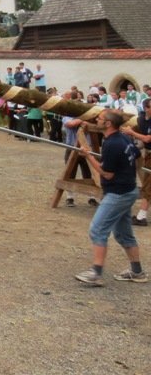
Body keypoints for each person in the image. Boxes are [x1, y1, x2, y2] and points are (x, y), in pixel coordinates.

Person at [75, 110, 147, 285]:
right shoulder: (123, 138)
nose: (96, 120)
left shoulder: (112, 144)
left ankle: (95, 274)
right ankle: (137, 272)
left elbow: (106, 174)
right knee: (124, 234)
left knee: (98, 230)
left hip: (118, 194)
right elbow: (136, 155)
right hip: (128, 191)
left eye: (99, 119)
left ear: (108, 124)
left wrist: (89, 155)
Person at [122, 98, 151, 227]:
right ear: (146, 108)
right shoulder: (141, 120)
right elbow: (133, 129)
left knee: (148, 186)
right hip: (148, 154)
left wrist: (131, 132)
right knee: (147, 184)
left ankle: (141, 216)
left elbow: (147, 139)